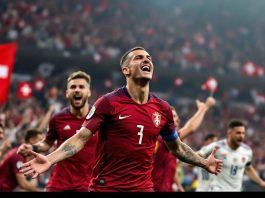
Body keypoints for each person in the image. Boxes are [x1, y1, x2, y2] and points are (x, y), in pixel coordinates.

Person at [19, 46, 222, 192]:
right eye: (139, 57)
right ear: (126, 70)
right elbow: (80, 138)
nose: (146, 60)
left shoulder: (163, 109)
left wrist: (204, 162)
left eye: (149, 57)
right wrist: (49, 159)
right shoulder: (109, 102)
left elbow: (177, 147)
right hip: (107, 187)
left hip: (143, 188)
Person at [17, 71, 97, 192]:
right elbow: (47, 143)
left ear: (89, 92)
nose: (77, 90)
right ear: (67, 93)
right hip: (60, 183)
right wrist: (32, 148)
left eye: (81, 87)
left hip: (89, 184)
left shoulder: (99, 118)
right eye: (73, 87)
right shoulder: (57, 118)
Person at [152, 97, 216, 192]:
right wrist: (204, 108)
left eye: (177, 116)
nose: (176, 119)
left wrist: (179, 186)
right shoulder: (163, 138)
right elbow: (191, 128)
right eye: (173, 116)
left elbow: (171, 167)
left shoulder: (170, 143)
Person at [198, 119, 265, 191]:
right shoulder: (217, 146)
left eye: (243, 133)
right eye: (238, 133)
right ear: (229, 133)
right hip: (218, 189)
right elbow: (197, 155)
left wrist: (261, 183)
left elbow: (248, 168)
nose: (241, 136)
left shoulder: (247, 151)